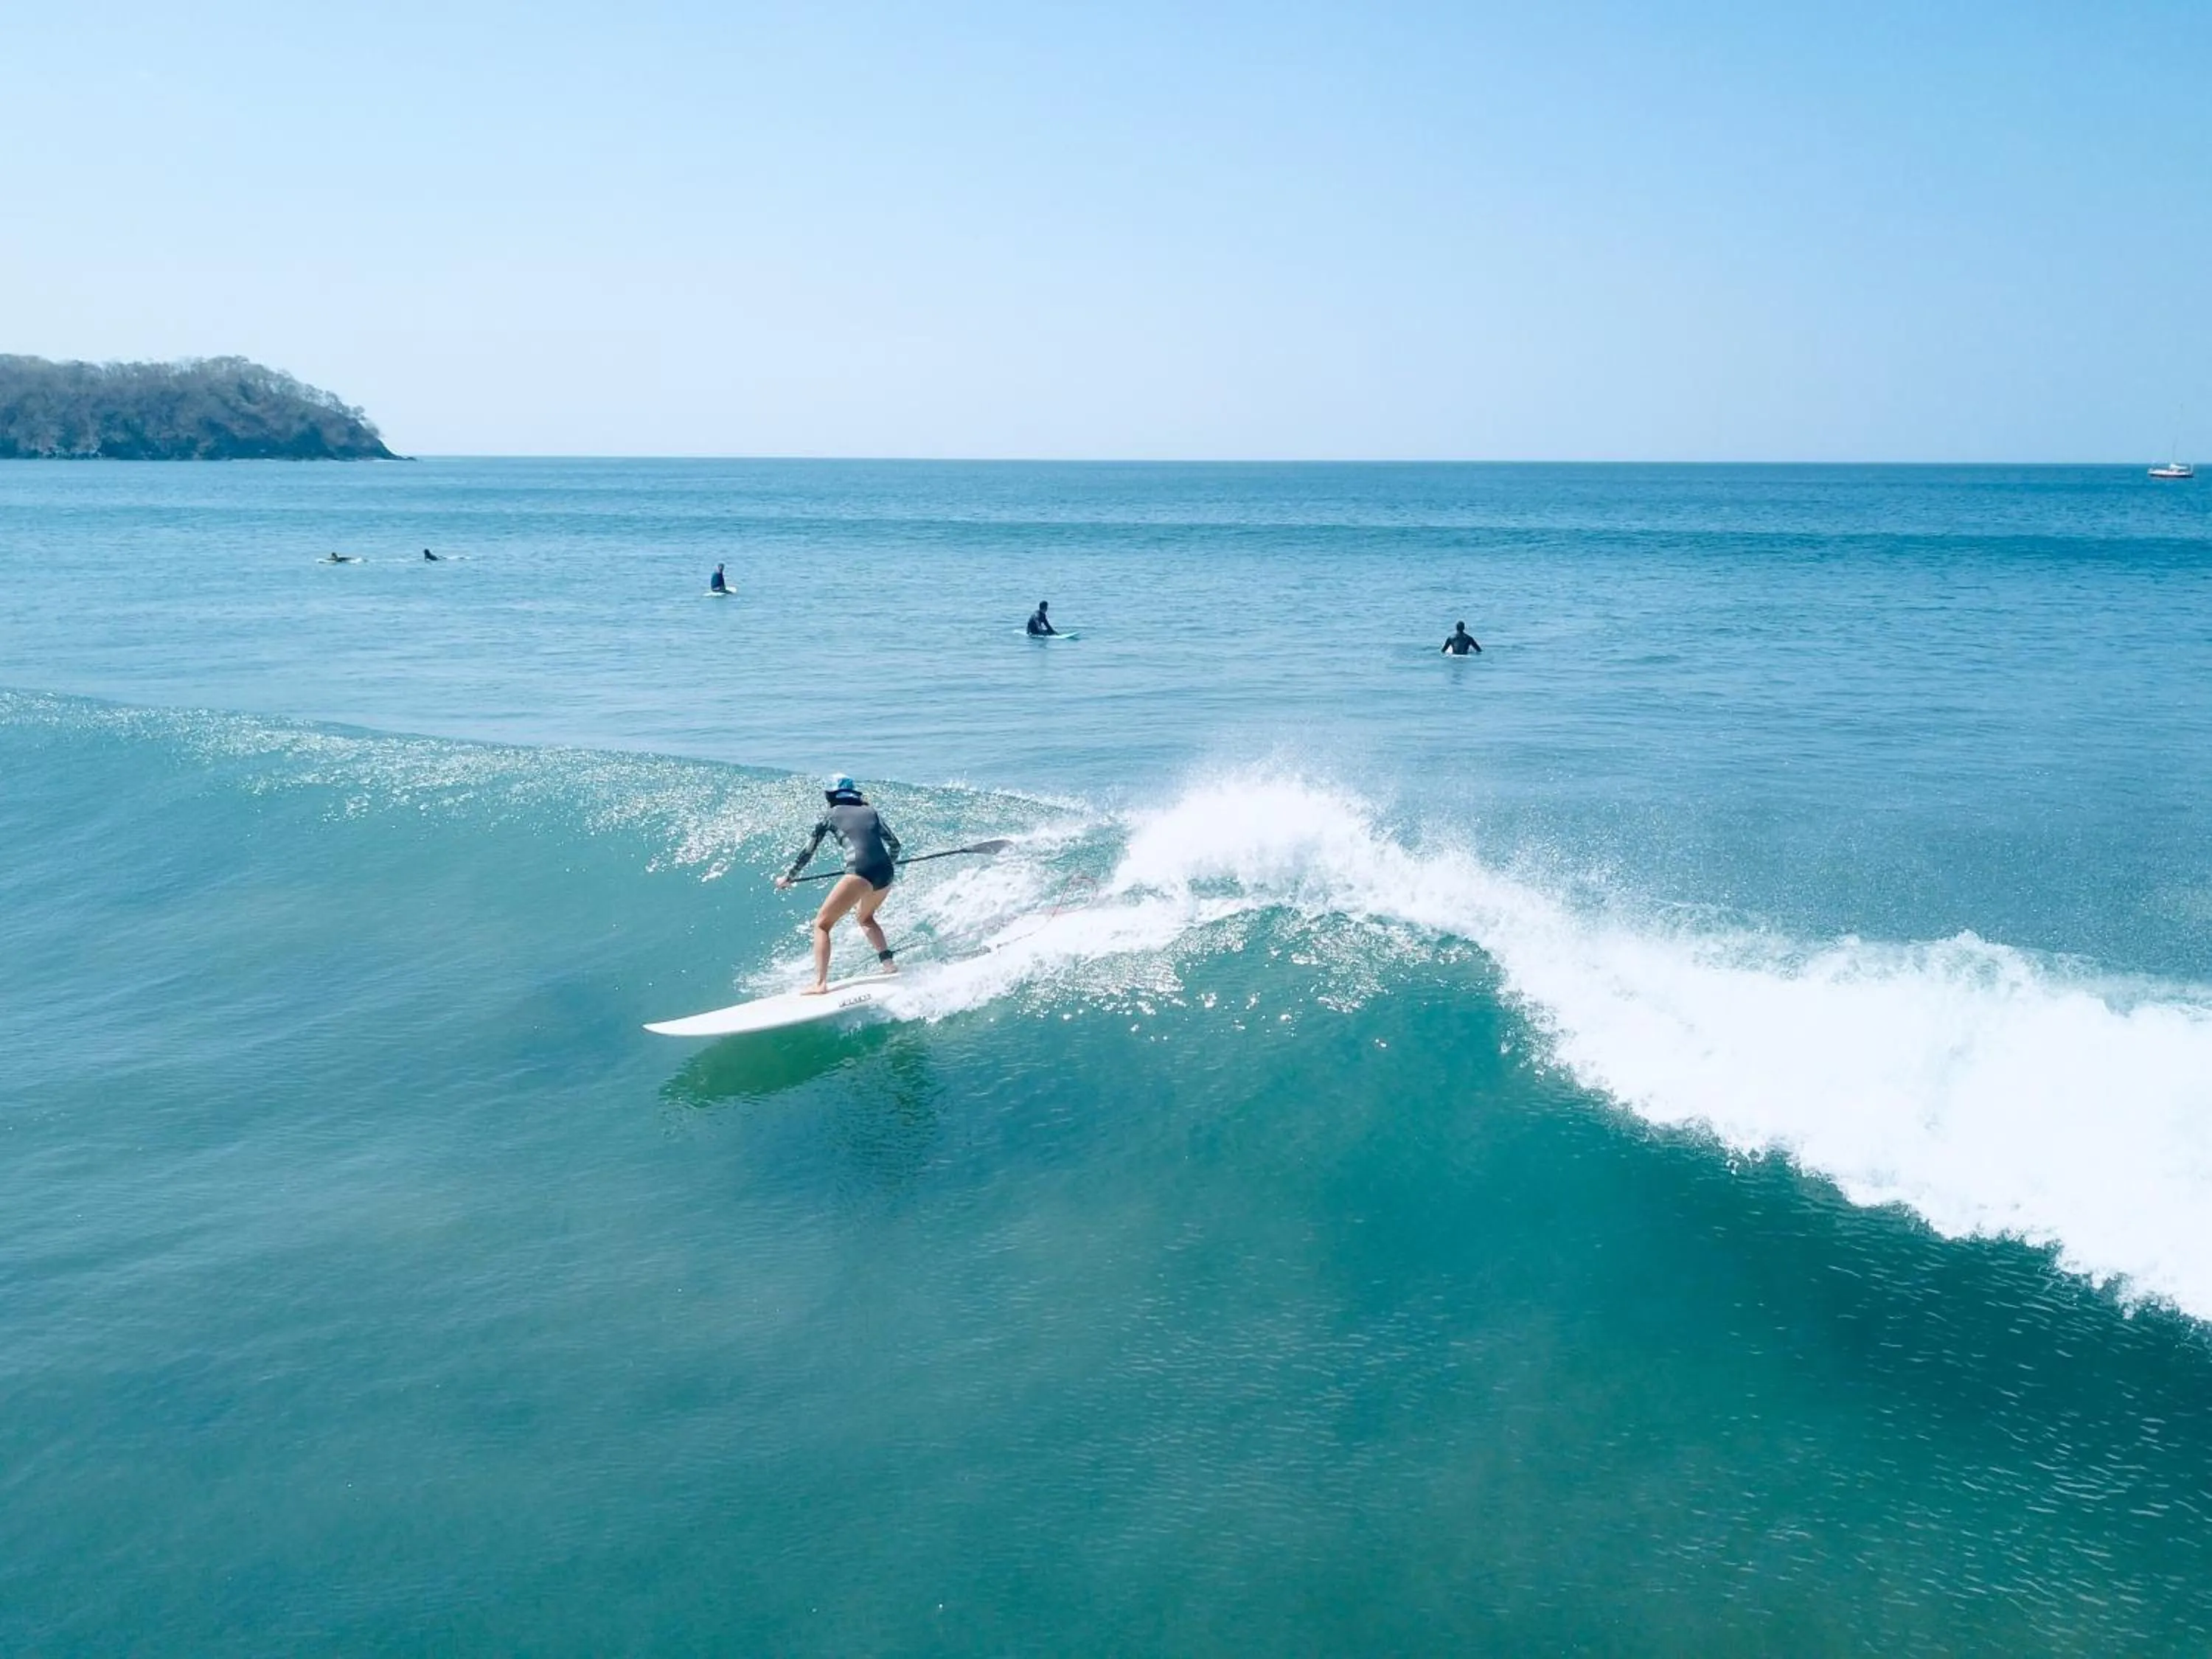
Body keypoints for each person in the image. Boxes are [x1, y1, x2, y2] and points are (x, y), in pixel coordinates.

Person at [775, 776, 903, 992]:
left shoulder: (830, 815)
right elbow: (895, 845)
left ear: (830, 796)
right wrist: (883, 865)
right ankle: (888, 965)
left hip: (860, 871)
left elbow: (808, 852)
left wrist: (788, 877)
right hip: (886, 872)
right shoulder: (871, 812)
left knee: (822, 925)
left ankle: (820, 984)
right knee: (866, 918)